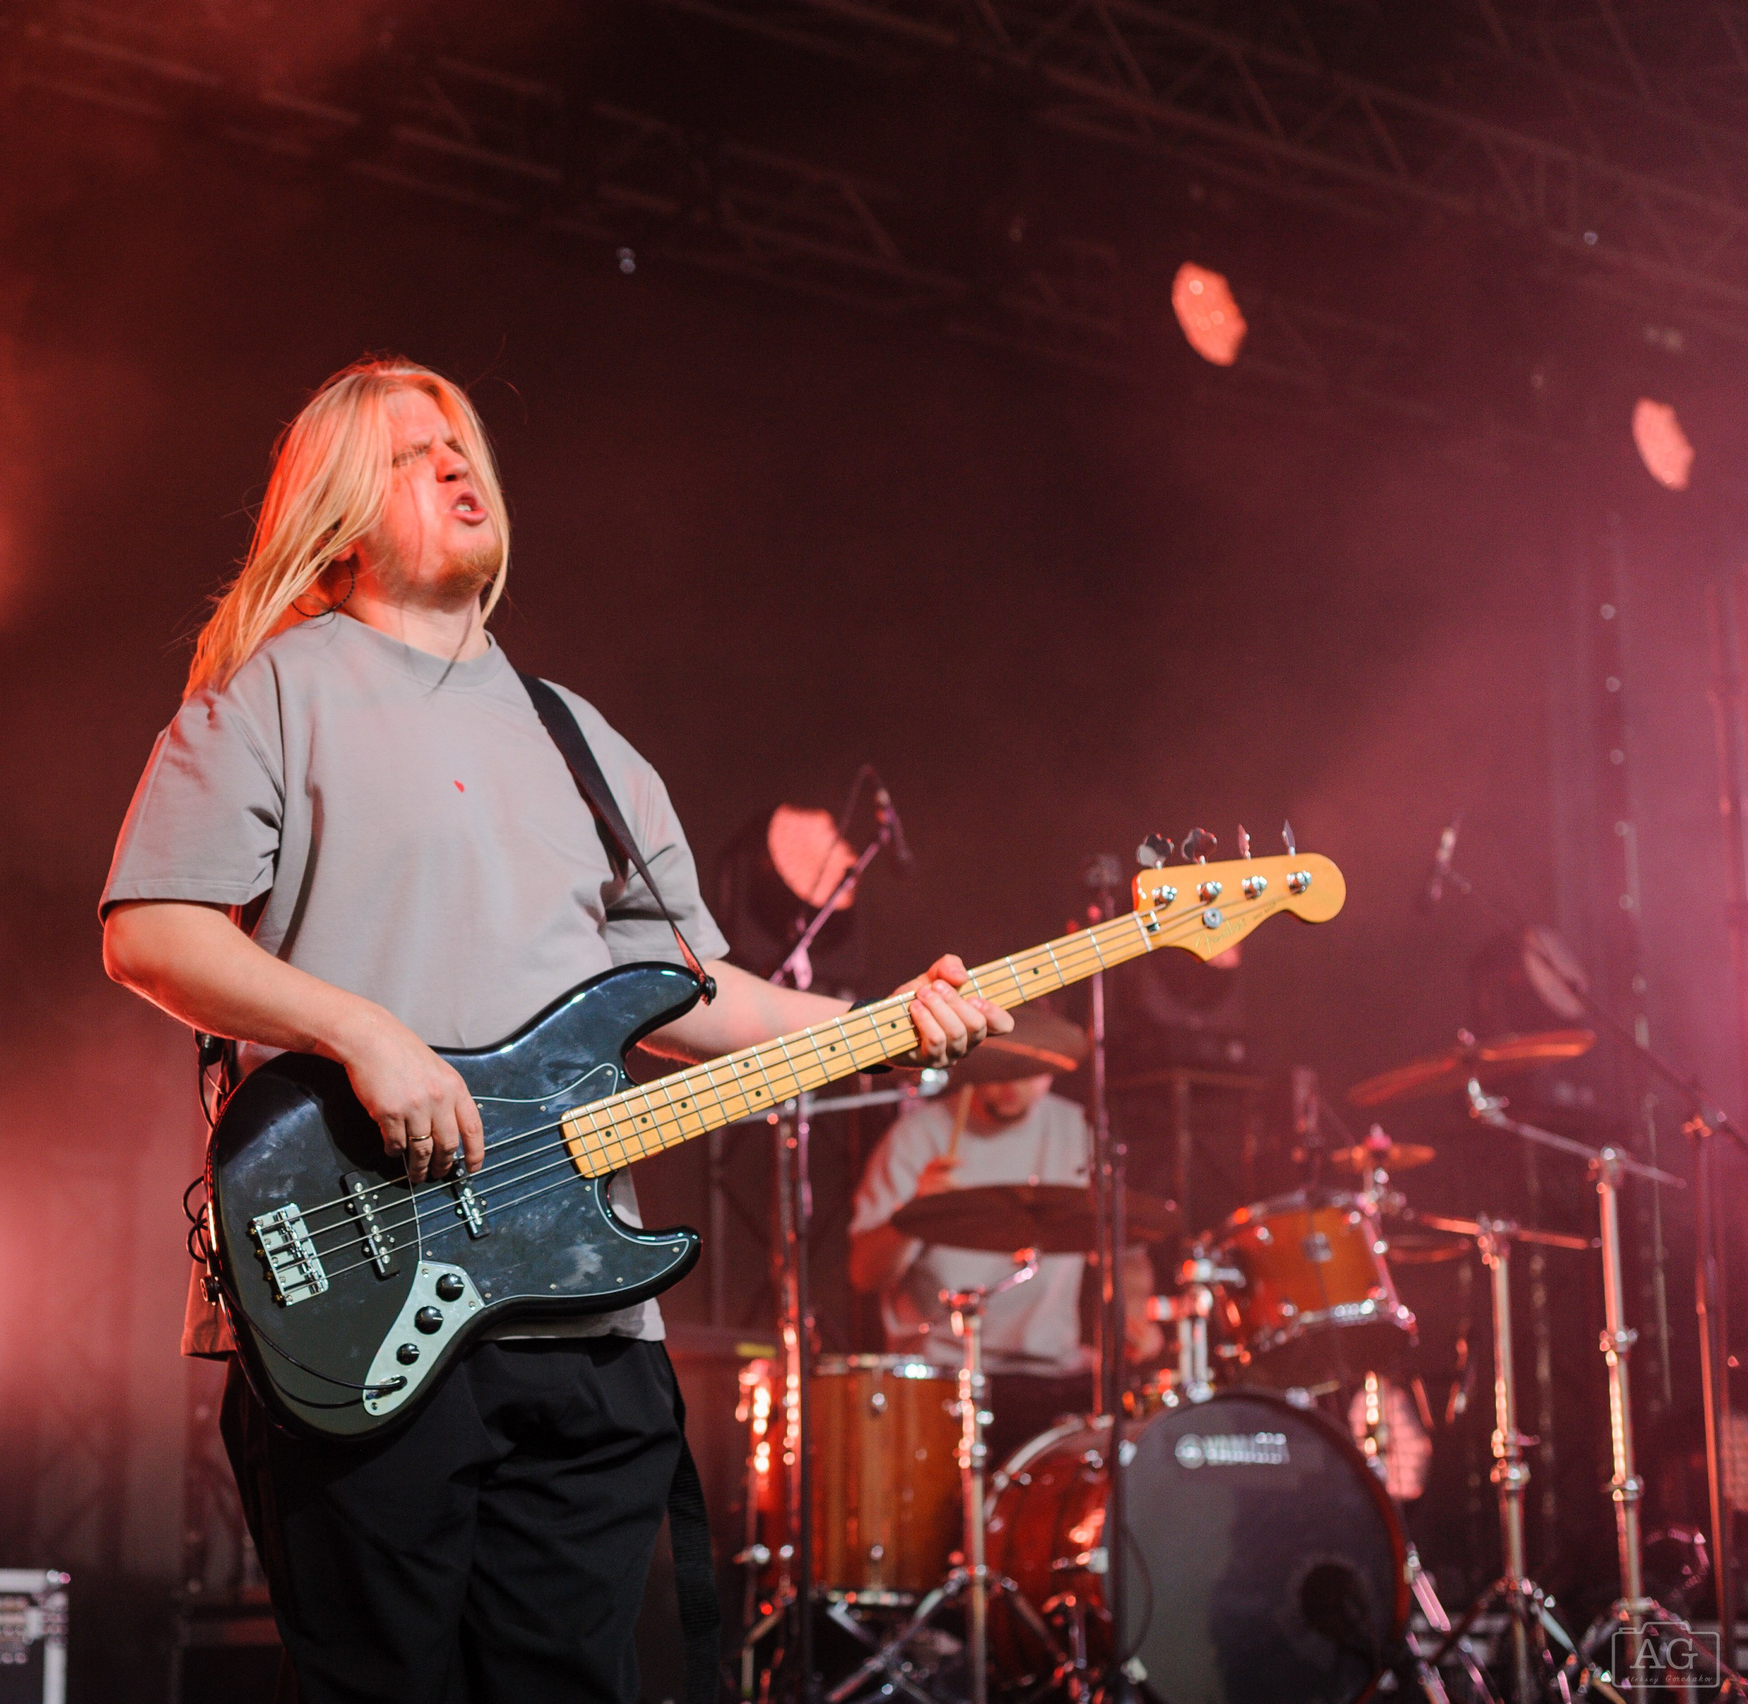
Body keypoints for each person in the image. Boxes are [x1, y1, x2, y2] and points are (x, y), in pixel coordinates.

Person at [99, 355, 1009, 1704]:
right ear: (342, 509)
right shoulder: (278, 692)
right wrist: (364, 1033)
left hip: (583, 1325)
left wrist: (884, 1028)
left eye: (465, 442)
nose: (461, 464)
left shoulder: (581, 742)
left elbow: (697, 993)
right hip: (365, 1302)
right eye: (416, 452)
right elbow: (151, 930)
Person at [846, 1003, 1155, 1465]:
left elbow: (1125, 1249)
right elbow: (865, 1275)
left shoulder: (1077, 1131)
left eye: (1030, 1068)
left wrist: (1138, 1318)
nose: (1013, 1082)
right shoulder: (917, 1137)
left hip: (1052, 1376)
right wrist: (913, 1214)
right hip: (942, 1381)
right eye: (1002, 1064)